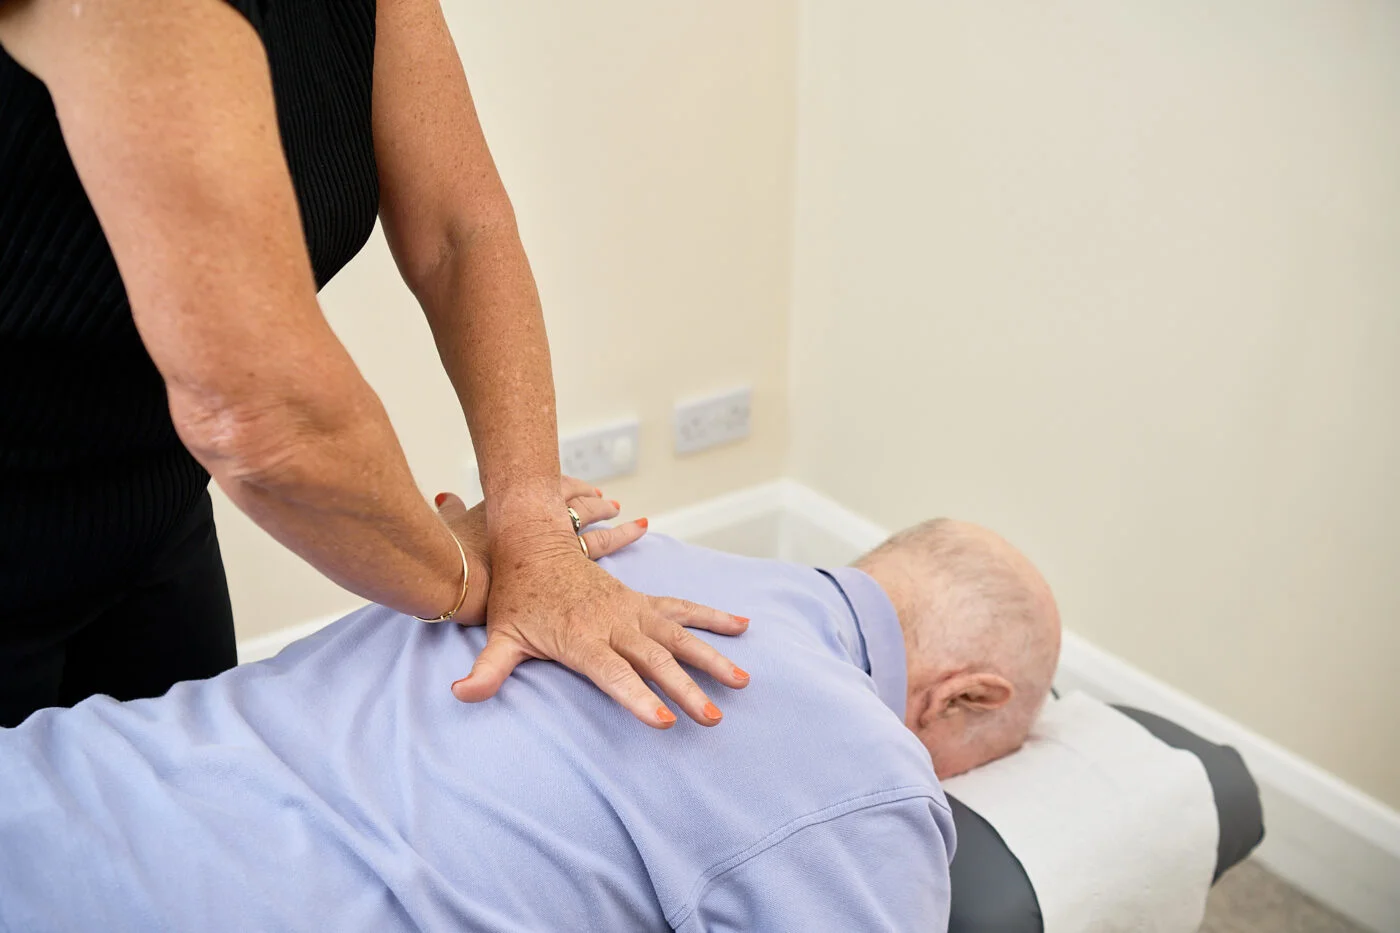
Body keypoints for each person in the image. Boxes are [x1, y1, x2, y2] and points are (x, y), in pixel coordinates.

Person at [0, 0, 744, 730]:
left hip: (149, 509)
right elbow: (262, 420)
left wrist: (530, 522)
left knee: (189, 836)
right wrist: (473, 576)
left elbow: (462, 232)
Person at [0, 508, 1061, 931]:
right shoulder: (867, 776)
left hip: (54, 783)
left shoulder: (583, 537)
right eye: (985, 754)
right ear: (965, 696)